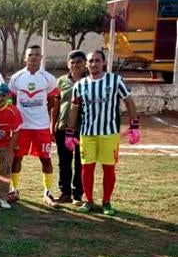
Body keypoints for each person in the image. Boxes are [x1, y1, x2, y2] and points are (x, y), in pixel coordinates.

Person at [66, 50, 139, 215]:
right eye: (91, 61)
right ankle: (89, 201)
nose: (94, 64)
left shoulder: (115, 80)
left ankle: (106, 202)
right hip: (87, 134)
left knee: (108, 168)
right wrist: (70, 133)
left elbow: (129, 101)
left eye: (97, 61)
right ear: (87, 64)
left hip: (109, 134)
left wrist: (134, 126)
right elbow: (74, 109)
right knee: (87, 168)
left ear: (104, 63)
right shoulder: (80, 85)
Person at [8, 45, 60, 207]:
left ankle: (47, 192)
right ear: (25, 57)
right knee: (17, 158)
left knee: (45, 159)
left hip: (41, 127)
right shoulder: (16, 78)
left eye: (37, 55)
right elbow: (13, 102)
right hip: (22, 128)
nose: (34, 58)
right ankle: (14, 189)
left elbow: (52, 102)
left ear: (41, 57)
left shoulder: (48, 78)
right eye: (31, 55)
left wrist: (50, 123)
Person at [54, 50, 87, 205]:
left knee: (81, 163)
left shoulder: (90, 81)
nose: (76, 65)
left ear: (85, 63)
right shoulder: (61, 81)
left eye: (79, 62)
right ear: (68, 64)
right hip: (63, 128)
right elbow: (56, 105)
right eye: (72, 62)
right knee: (64, 162)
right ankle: (65, 192)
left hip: (83, 129)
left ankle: (78, 194)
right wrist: (53, 125)